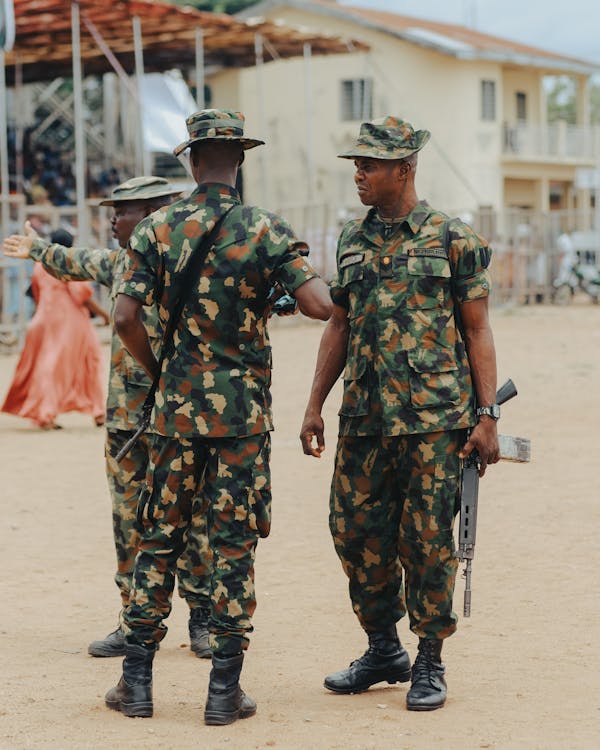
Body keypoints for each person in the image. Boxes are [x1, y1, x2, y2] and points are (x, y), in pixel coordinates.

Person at [109, 108, 332, 725]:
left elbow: (125, 318)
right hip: (241, 419)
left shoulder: (155, 229)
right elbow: (318, 304)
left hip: (175, 415)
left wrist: (161, 376)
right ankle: (222, 692)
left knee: (159, 538)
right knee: (232, 542)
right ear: (241, 160)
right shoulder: (264, 228)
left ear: (190, 158)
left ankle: (136, 684)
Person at [299, 116, 499, 712]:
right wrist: (315, 402)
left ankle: (430, 659)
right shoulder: (351, 240)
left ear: (405, 168)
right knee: (354, 532)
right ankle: (383, 648)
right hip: (363, 417)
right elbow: (338, 322)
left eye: (370, 164)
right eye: (356, 164)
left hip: (434, 422)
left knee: (428, 540)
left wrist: (486, 414)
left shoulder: (452, 238)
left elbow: (478, 328)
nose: (358, 174)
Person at [2, 177, 213, 659]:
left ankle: (202, 617)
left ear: (152, 214)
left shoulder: (194, 267)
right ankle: (135, 620)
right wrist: (37, 248)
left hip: (179, 418)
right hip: (125, 422)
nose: (112, 221)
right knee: (128, 522)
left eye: (121, 212)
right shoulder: (121, 263)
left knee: (193, 517)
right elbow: (76, 262)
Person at [1, 229, 108, 429]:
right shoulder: (67, 263)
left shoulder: (39, 265)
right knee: (88, 361)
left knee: (46, 366)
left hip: (42, 320)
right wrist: (104, 315)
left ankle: (48, 412)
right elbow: (82, 294)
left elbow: (36, 292)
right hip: (69, 321)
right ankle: (92, 412)